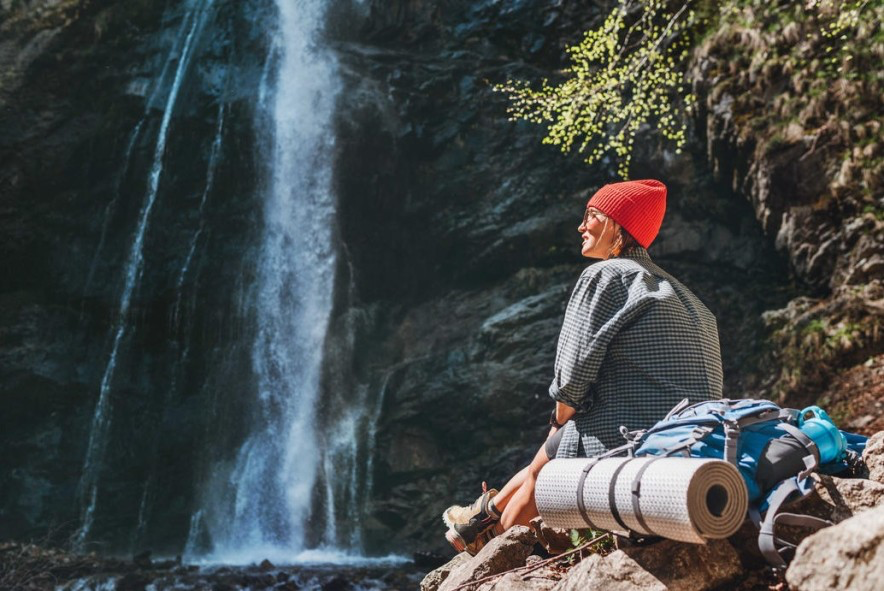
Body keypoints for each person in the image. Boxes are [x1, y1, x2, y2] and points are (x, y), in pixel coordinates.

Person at [442, 179, 723, 555]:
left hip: (638, 440)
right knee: (559, 440)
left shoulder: (606, 276)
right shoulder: (692, 299)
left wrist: (559, 423)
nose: (580, 226)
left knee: (553, 450)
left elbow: (571, 382)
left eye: (591, 215)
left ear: (616, 224)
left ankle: (495, 550)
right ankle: (483, 515)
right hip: (692, 440)